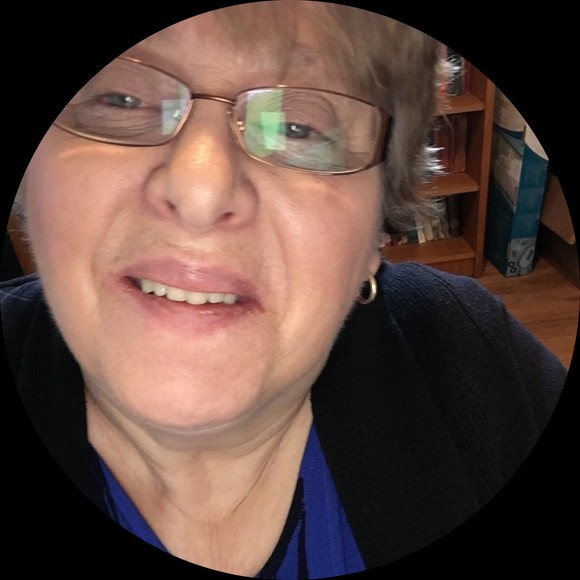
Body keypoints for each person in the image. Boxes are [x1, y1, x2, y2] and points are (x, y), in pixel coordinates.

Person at [0, 2, 568, 577]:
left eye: (297, 128)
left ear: (377, 231)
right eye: (123, 99)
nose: (200, 189)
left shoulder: (476, 365)